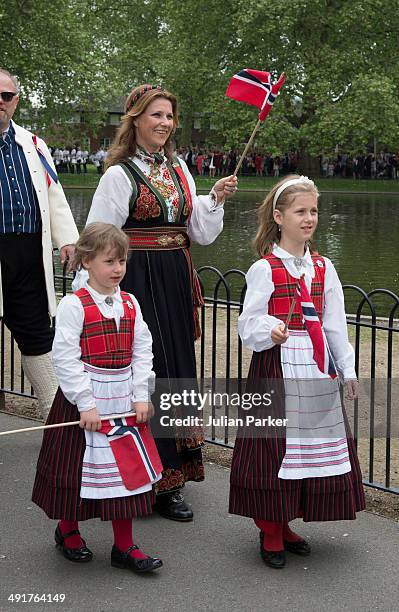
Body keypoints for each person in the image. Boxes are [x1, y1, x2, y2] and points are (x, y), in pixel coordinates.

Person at [74, 83, 238, 522]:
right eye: (155, 115)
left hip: (176, 278)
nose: (164, 123)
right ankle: (139, 472)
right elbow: (99, 237)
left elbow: (199, 232)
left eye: (169, 116)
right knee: (146, 372)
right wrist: (83, 300)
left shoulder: (181, 168)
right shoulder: (119, 175)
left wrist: (214, 200)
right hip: (138, 281)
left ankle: (172, 480)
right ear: (136, 121)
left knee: (178, 371)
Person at [229, 174, 365, 569]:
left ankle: (286, 523)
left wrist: (348, 371)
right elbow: (247, 324)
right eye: (300, 211)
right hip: (277, 363)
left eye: (314, 211)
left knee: (308, 449)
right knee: (274, 449)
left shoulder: (324, 268)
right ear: (279, 216)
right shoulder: (265, 269)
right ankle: (270, 528)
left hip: (316, 368)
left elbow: (335, 325)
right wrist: (270, 329)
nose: (309, 218)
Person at [32, 223, 163, 573]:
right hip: (85, 400)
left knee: (126, 472)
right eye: (109, 261)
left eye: (122, 261)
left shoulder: (131, 303)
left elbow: (142, 351)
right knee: (75, 470)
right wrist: (85, 403)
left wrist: (141, 395)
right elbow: (64, 358)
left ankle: (124, 546)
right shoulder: (75, 306)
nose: (118, 269)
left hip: (123, 399)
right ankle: (68, 529)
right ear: (86, 261)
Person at [0, 68, 78, 419]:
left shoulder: (33, 144)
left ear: (15, 101)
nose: (0, 103)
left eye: (6, 96)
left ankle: (55, 413)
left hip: (30, 251)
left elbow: (53, 195)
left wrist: (69, 242)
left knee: (36, 330)